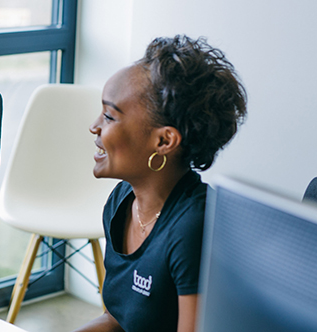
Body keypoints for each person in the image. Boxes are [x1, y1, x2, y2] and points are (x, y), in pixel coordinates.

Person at [76, 35, 247, 332]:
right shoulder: (121, 201)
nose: (94, 126)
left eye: (109, 116)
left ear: (164, 141)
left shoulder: (193, 227)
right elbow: (118, 320)